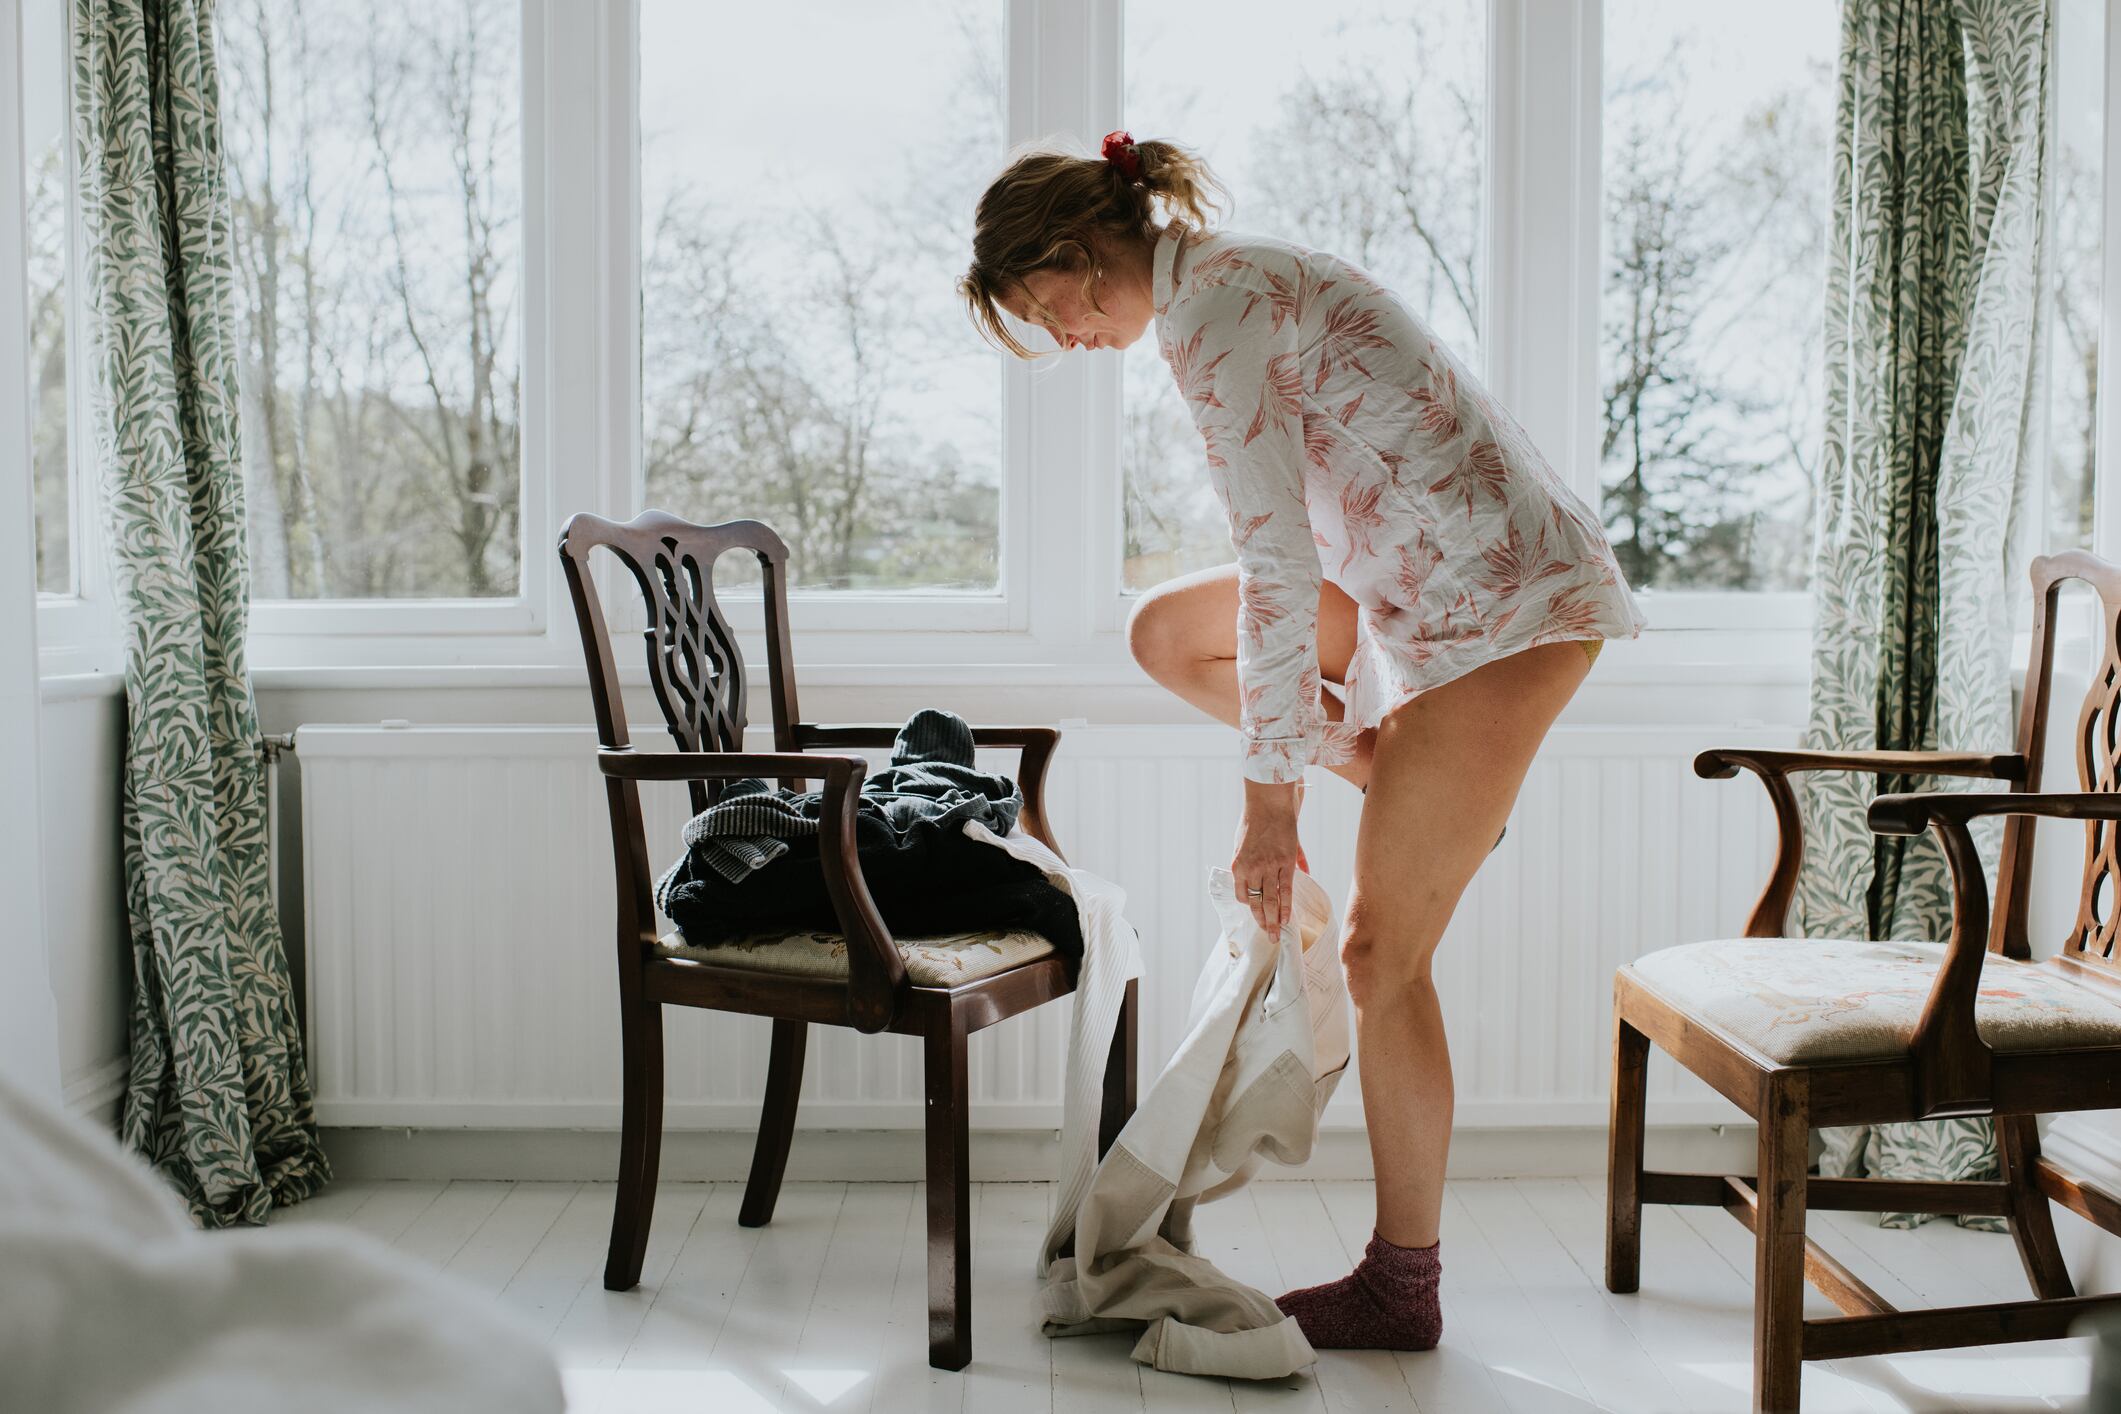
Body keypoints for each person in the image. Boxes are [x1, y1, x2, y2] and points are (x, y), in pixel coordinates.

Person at [958, 130, 1646, 1353]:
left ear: (1075, 252)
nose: (1061, 336)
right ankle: (1389, 769)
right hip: (1424, 595)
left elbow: (1277, 565)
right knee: (1167, 634)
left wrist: (1270, 812)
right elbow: (1315, 537)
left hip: (1505, 611)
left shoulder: (1210, 313)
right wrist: (1331, 752)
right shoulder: (1226, 278)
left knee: (1382, 955)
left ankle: (1403, 1284)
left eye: (1043, 305)